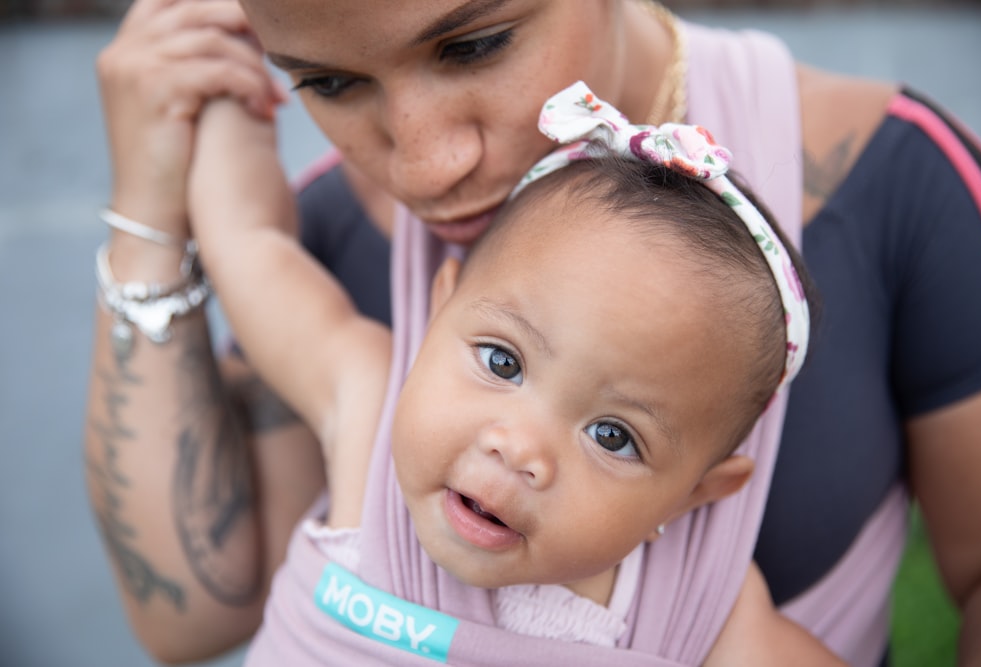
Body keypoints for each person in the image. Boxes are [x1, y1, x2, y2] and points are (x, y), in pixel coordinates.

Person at [86, 0, 981, 664]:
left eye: (476, 42)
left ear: (701, 489)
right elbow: (189, 619)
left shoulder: (900, 180)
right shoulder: (345, 313)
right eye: (328, 80)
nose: (428, 160)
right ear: (438, 305)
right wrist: (151, 204)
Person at [182, 81, 830, 664]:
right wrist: (219, 88)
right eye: (503, 361)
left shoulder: (695, 591)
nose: (520, 448)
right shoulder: (368, 415)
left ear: (694, 494)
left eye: (612, 435)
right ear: (440, 310)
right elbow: (247, 242)